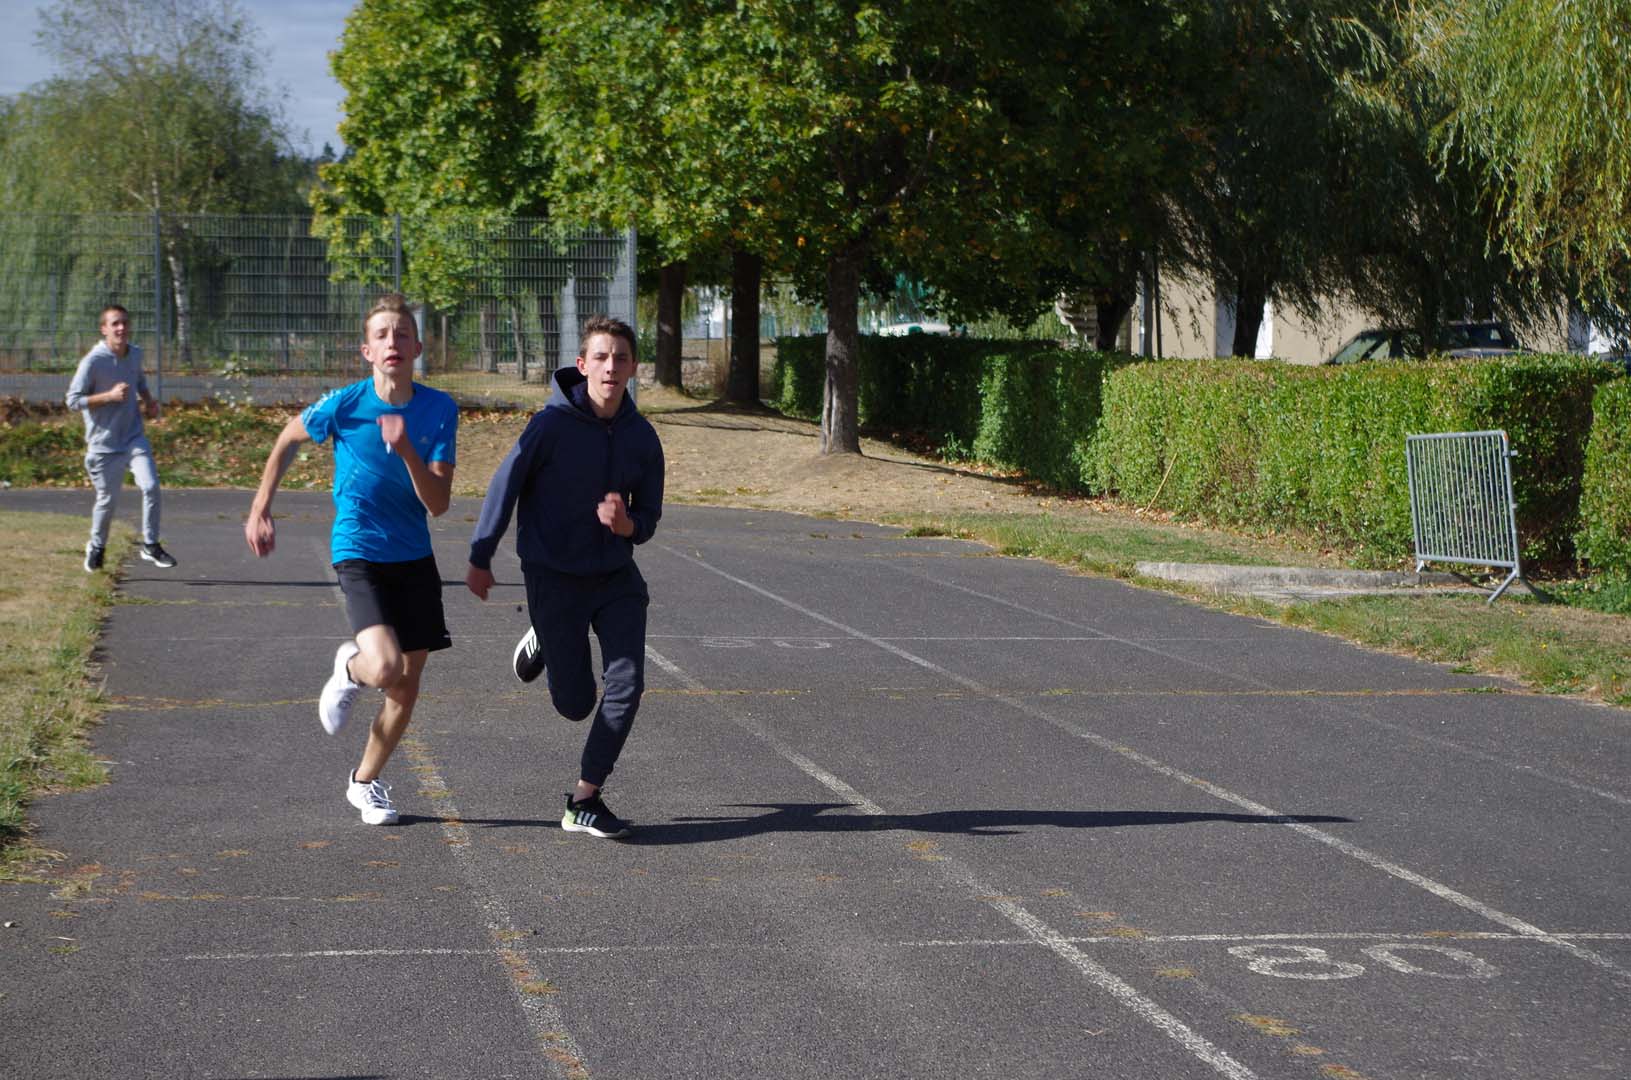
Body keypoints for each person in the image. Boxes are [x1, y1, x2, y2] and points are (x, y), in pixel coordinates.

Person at [244, 294, 458, 826]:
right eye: (382, 335)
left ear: (418, 347)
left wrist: (407, 449)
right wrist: (260, 506)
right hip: (360, 547)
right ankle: (349, 665)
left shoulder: (438, 409)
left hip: (414, 555)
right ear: (367, 350)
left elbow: (438, 503)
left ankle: (366, 783)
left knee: (406, 686)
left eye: (402, 334)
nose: (393, 342)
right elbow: (289, 437)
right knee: (384, 667)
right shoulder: (345, 404)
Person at [465, 315, 664, 840]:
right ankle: (547, 640)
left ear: (633, 368)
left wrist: (629, 525)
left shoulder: (642, 438)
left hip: (616, 577)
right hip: (553, 577)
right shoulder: (549, 427)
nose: (611, 367)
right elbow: (503, 486)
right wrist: (481, 554)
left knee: (627, 684)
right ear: (582, 365)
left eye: (621, 358)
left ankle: (585, 798)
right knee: (575, 705)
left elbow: (650, 514)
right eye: (601, 357)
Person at [65, 304, 176, 572]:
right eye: (114, 323)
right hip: (103, 443)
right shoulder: (93, 361)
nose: (121, 328)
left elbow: (139, 382)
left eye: (124, 322)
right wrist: (108, 397)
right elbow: (72, 401)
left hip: (133, 438)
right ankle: (97, 546)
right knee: (107, 500)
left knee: (150, 486)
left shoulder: (135, 354)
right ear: (104, 329)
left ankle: (150, 545)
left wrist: (149, 402)